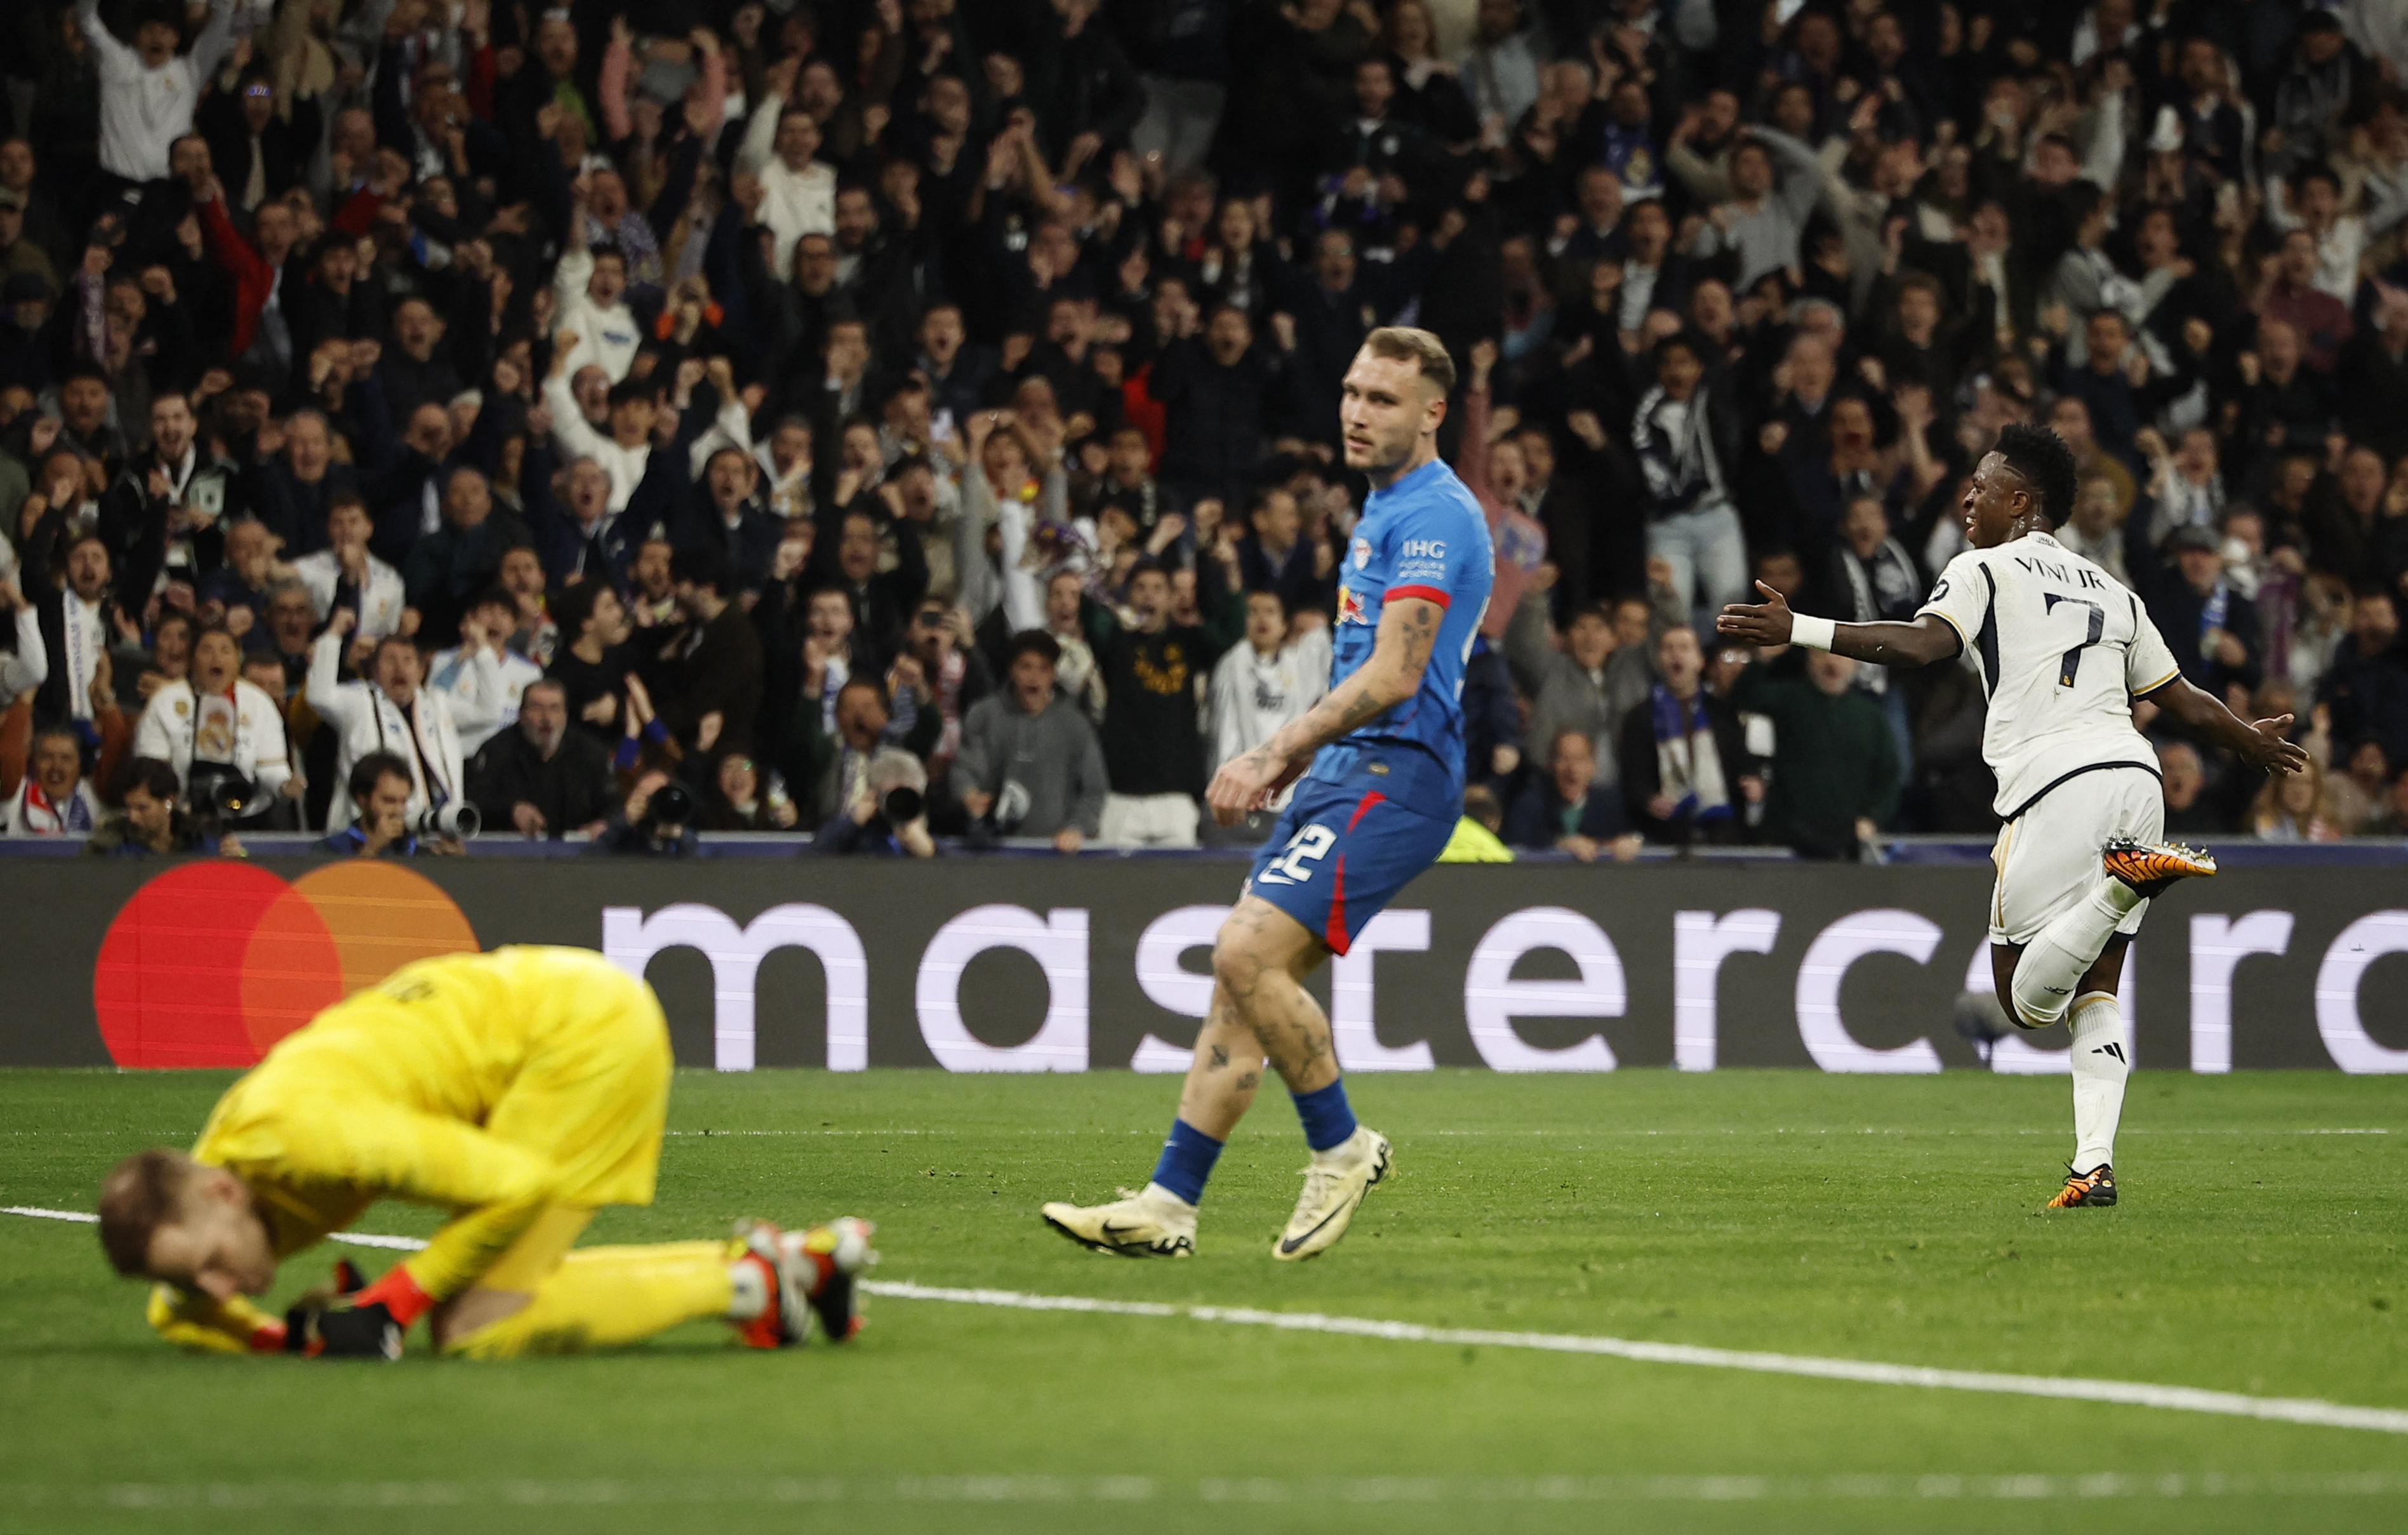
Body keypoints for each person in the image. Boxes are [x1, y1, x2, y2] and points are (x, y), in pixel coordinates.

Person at [1718, 423, 2308, 1209]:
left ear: (2022, 502)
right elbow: (2184, 702)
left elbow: (1924, 646)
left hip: (2054, 782)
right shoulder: (2114, 590)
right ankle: (2092, 1164)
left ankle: (2122, 886)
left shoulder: (1984, 568)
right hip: (2136, 776)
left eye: (1982, 484)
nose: (1967, 497)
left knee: (2022, 1002)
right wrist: (2248, 741)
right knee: (2096, 983)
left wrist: (1802, 629)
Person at [1043, 327, 1492, 1262]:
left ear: (1432, 413)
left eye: (1383, 399)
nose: (1358, 413)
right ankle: (1170, 1202)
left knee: (1245, 951)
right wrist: (1299, 761)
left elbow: (1398, 674)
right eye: (1352, 392)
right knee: (1239, 992)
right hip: (1345, 772)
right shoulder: (1385, 506)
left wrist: (1270, 747)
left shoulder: (1434, 516)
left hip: (1397, 776)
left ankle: (1342, 1146)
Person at [95, 947, 874, 1359]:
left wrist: (390, 1305)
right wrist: (280, 1340)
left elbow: (516, 1185)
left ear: (224, 1197)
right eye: (196, 1275)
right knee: (503, 1280)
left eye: (210, 1266)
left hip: (580, 1035)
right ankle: (801, 1264)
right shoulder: (214, 1190)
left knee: (472, 1328)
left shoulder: (307, 1141)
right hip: (536, 1007)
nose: (220, 1286)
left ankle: (754, 1287)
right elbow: (178, 1314)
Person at [306, 612, 467, 833]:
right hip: (366, 833)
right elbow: (318, 696)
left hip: (437, 830)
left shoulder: (436, 703)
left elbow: (488, 711)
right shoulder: (358, 702)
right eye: (390, 659)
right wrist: (333, 635)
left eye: (408, 660)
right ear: (373, 670)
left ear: (421, 671)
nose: (399, 668)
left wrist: (484, 652)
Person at [951, 630, 1108, 852]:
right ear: (1012, 670)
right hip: (992, 849)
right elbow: (965, 769)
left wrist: (1077, 828)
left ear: (1054, 674)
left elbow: (1094, 790)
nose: (1034, 677)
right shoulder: (984, 715)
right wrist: (969, 795)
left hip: (1053, 852)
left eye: (1043, 668)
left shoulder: (1075, 725)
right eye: (1026, 667)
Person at [131, 625, 295, 806]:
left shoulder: (260, 703)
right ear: (192, 659)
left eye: (225, 651)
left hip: (245, 813)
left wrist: (284, 785)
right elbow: (151, 768)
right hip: (183, 812)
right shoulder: (165, 702)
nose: (216, 658)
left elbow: (271, 766)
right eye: (206, 650)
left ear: (237, 660)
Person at [467, 680, 616, 841]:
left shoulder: (590, 753)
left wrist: (605, 824)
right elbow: (473, 802)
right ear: (522, 715)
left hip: (576, 856)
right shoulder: (497, 751)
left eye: (554, 709)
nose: (546, 718)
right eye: (537, 708)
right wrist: (511, 810)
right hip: (513, 855)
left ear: (565, 715)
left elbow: (615, 804)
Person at [85, 755, 243, 858]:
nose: (133, 817)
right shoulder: (107, 845)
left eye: (142, 808)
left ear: (169, 802)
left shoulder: (203, 837)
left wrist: (238, 859)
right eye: (129, 808)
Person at [2, 724, 103, 835]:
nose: (56, 767)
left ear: (79, 765)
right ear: (33, 762)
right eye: (47, 757)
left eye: (66, 758)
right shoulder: (16, 793)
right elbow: (9, 759)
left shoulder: (93, 794)